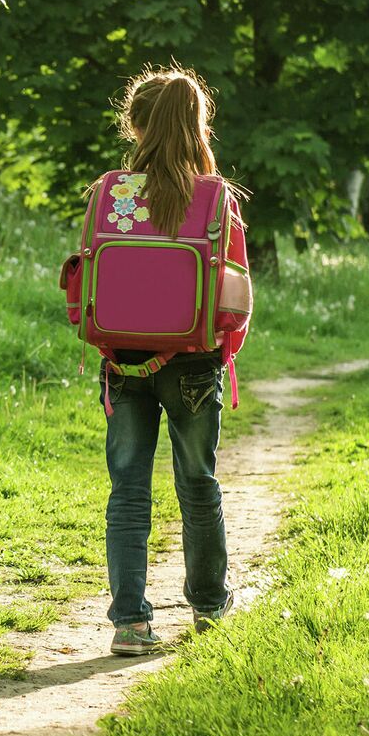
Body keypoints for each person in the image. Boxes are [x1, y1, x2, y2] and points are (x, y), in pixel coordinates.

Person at [97, 68, 251, 656]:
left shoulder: (112, 194)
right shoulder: (215, 199)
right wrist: (219, 355)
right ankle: (210, 606)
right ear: (196, 125)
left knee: (129, 490)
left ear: (136, 126)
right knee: (197, 483)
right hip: (193, 364)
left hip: (125, 363)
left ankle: (130, 624)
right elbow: (234, 300)